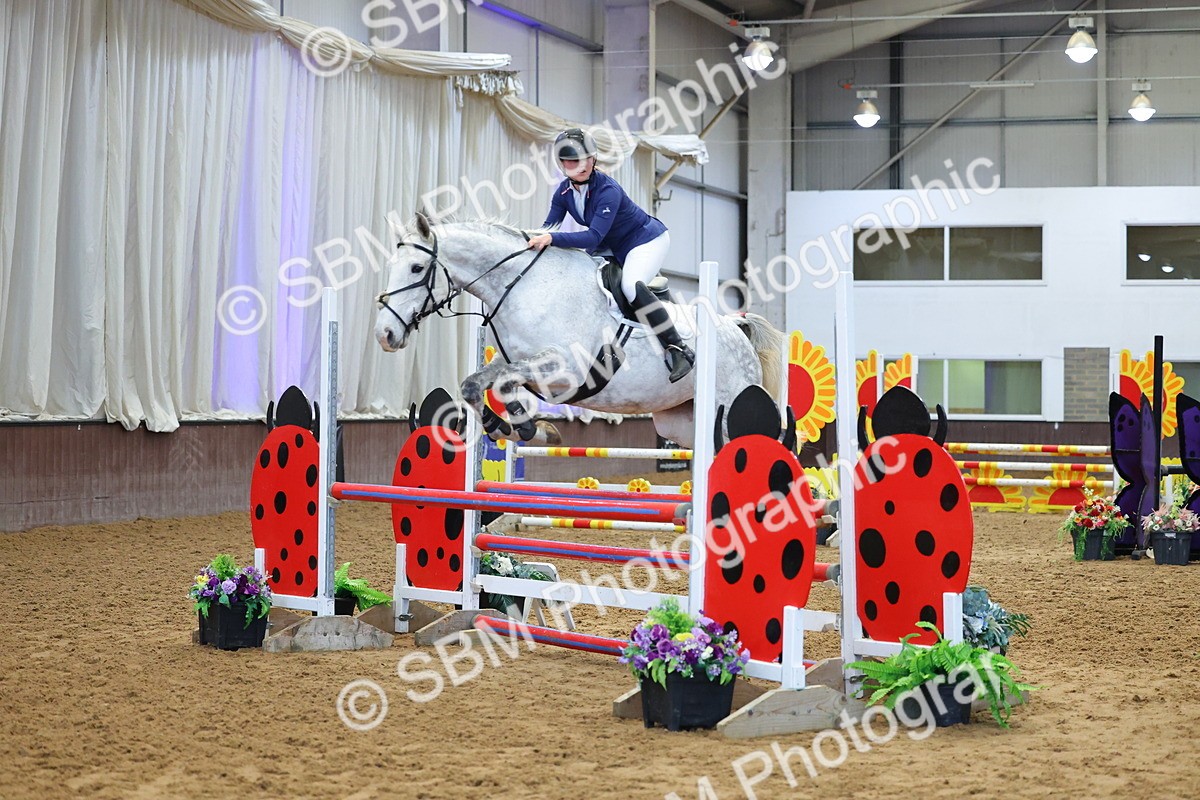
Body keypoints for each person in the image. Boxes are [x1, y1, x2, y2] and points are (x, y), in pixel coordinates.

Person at [527, 128, 694, 383]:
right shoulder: (563, 193)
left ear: (593, 160)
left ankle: (679, 348)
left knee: (629, 286)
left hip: (644, 240)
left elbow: (592, 237)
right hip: (611, 246)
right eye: (572, 161)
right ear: (562, 164)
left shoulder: (608, 190)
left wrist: (551, 239)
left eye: (585, 159)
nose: (580, 166)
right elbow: (548, 229)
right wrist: (526, 240)